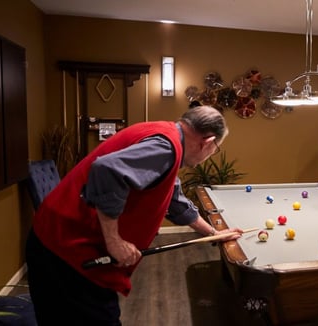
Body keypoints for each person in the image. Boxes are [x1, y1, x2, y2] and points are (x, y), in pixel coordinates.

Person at [25, 106, 243, 325]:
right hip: (64, 249)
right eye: (216, 149)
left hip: (57, 240)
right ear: (207, 141)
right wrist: (114, 241)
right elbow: (106, 170)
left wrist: (214, 233)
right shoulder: (166, 147)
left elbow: (175, 201)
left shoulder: (167, 138)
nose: (210, 155)